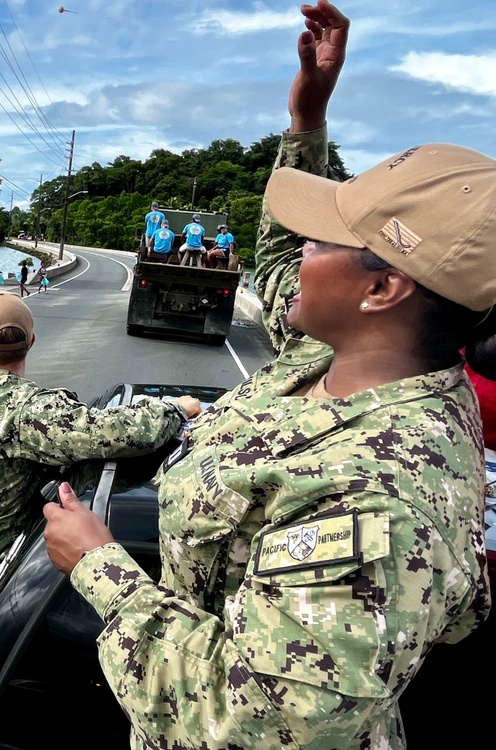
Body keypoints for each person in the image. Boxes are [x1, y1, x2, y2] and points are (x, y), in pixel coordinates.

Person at [43, 2, 493, 747]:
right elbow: (283, 260)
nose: (301, 248)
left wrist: (99, 568)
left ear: (382, 290)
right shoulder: (340, 354)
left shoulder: (381, 494)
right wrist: (307, 117)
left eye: (333, 236)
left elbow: (252, 724)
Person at [0, 291, 201, 623]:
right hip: (8, 579)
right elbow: (119, 433)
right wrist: (177, 408)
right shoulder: (29, 410)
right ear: (32, 342)